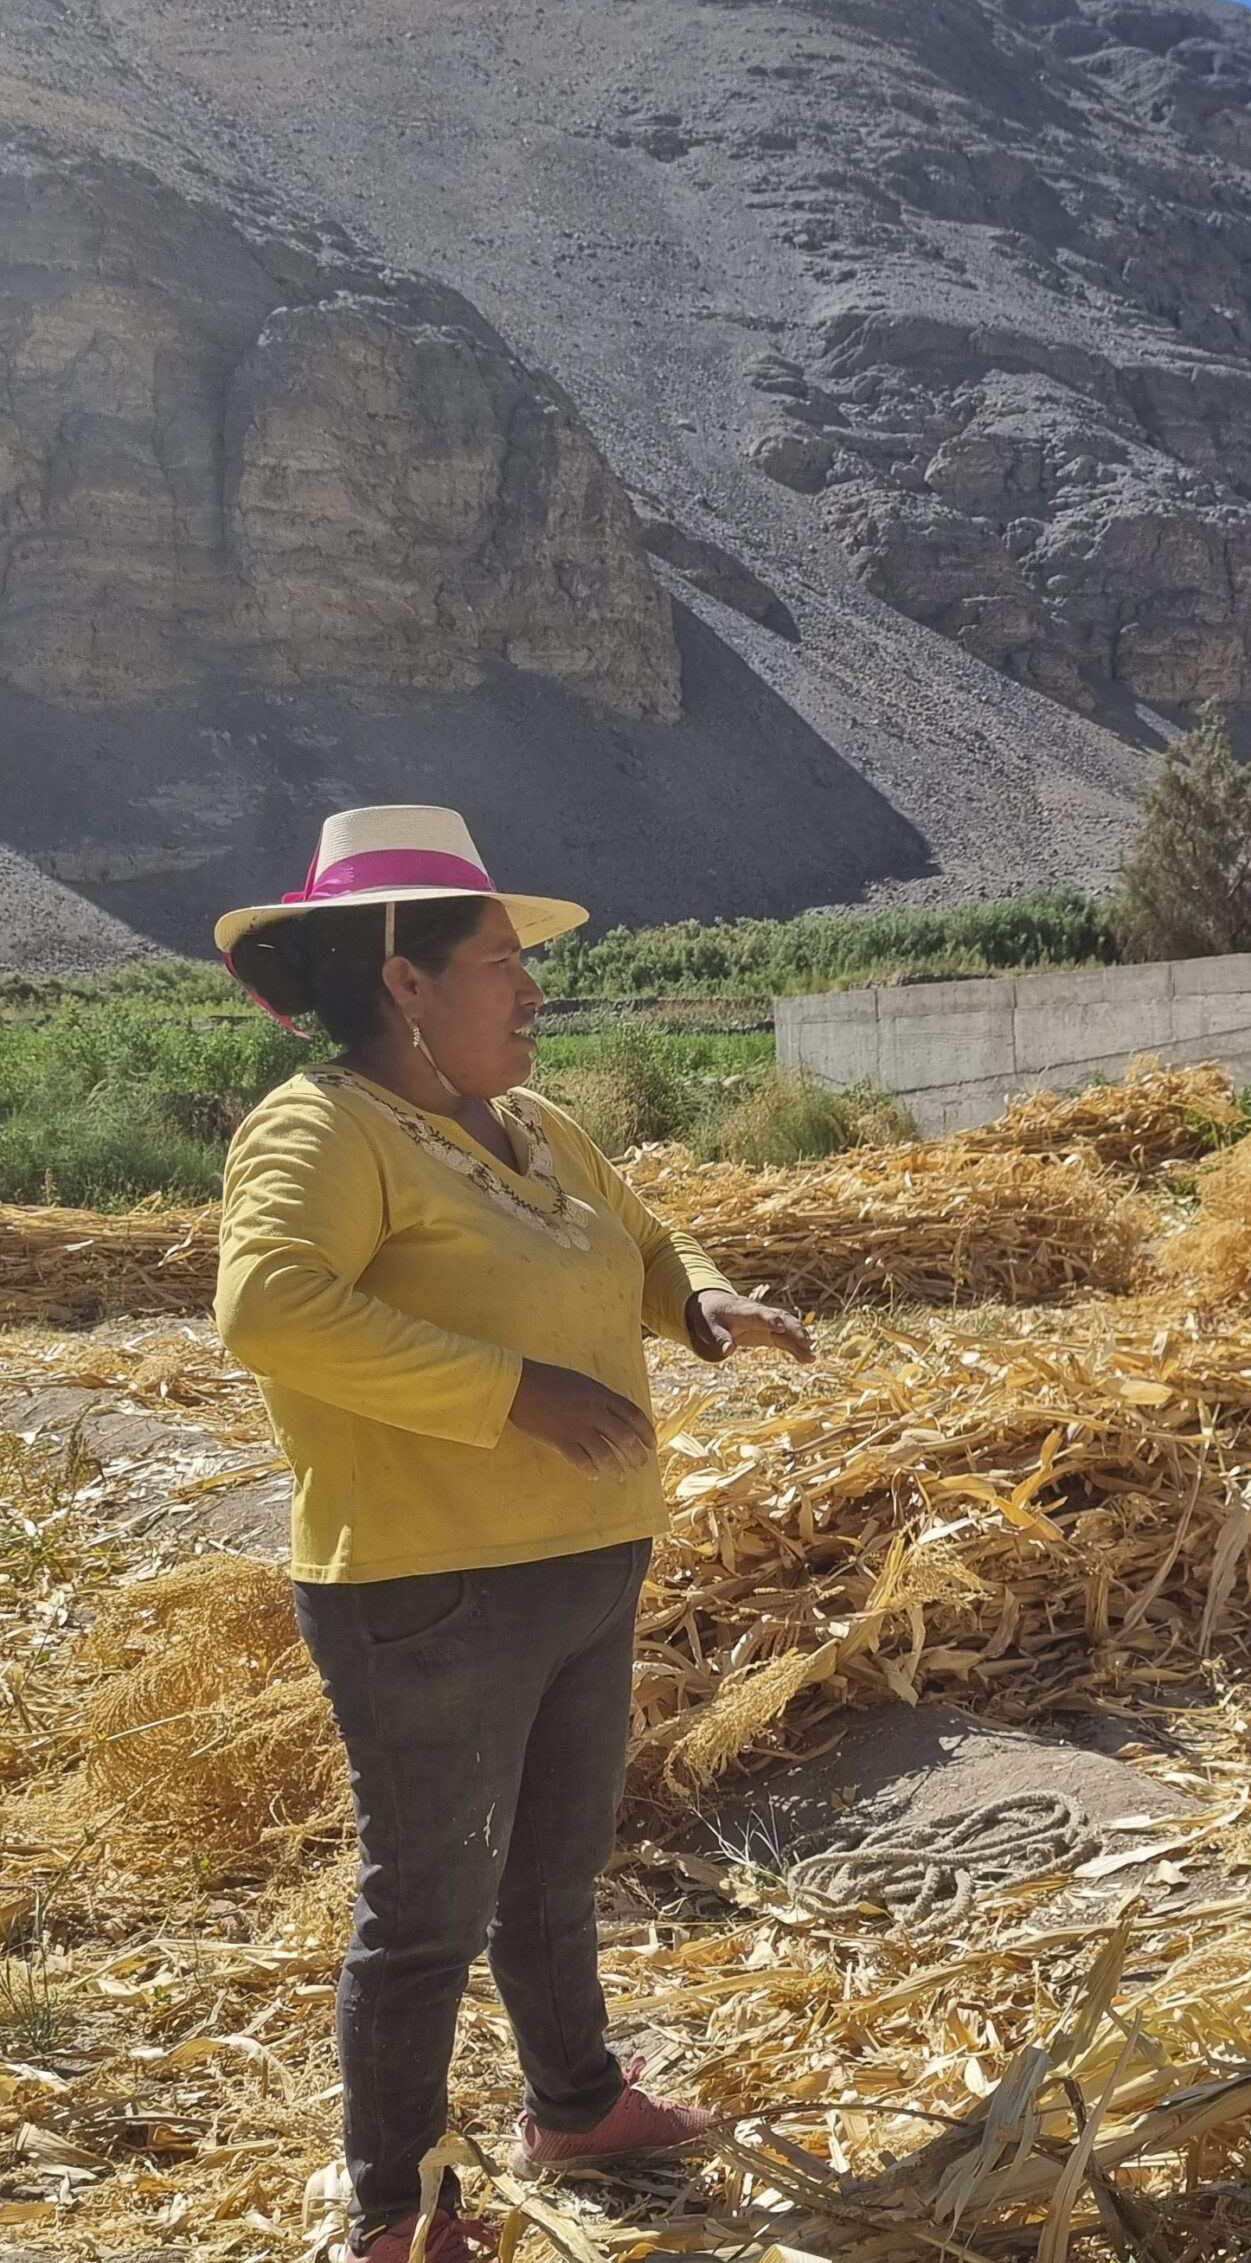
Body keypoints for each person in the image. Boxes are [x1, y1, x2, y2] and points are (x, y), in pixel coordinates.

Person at [212, 807, 815, 2262]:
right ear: (404, 983)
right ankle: (393, 2210)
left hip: (586, 1556)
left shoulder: (540, 1126)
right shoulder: (323, 1125)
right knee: (429, 1897)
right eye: (501, 960)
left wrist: (701, 1303)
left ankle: (577, 2100)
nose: (533, 987)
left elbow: (643, 1238)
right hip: (428, 1584)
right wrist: (510, 1391)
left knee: (551, 1866)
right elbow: (269, 1306)